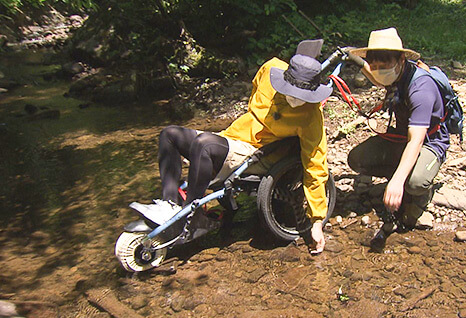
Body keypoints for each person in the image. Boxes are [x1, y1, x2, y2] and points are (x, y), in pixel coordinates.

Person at [131, 39, 332, 254]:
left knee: (204, 145)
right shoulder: (269, 69)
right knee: (169, 135)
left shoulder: (311, 116)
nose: (295, 100)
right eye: (290, 93)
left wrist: (317, 221)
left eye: (301, 97)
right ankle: (171, 205)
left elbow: (315, 164)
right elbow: (255, 92)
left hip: (260, 155)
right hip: (234, 137)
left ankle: (191, 217)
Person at [347, 27, 450, 248]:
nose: (379, 71)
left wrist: (396, 182)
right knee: (356, 159)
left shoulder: (421, 87)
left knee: (415, 183)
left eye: (384, 65)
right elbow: (374, 75)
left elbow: (417, 140)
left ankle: (420, 189)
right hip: (402, 138)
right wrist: (352, 56)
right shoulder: (393, 72)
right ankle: (404, 174)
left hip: (429, 142)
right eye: (375, 65)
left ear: (401, 59)